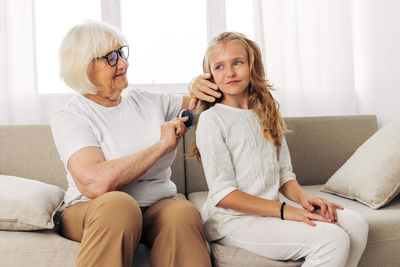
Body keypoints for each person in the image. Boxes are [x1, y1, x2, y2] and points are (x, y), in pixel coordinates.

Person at [189, 32, 368, 267]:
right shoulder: (213, 120)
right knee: (331, 240)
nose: (230, 72)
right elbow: (224, 195)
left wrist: (305, 199)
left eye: (237, 63)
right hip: (234, 222)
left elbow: (284, 175)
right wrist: (285, 211)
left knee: (356, 224)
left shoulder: (267, 111)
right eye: (219, 66)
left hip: (270, 213)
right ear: (210, 76)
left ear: (253, 66)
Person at [50, 20, 215, 267]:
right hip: (92, 210)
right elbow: (94, 182)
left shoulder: (145, 101)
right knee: (119, 206)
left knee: (183, 213)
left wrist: (197, 84)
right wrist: (160, 147)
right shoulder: (71, 115)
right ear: (84, 66)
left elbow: (202, 102)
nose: (124, 64)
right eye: (112, 57)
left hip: (155, 208)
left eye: (122, 53)